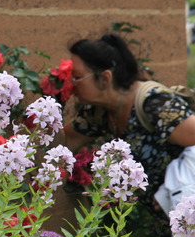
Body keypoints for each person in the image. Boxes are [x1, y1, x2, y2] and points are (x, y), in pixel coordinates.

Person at [63, 33, 195, 212]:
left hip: (185, 218)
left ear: (105, 79)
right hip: (160, 225)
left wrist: (169, 191)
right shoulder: (98, 112)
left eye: (77, 77)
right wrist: (51, 107)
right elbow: (64, 144)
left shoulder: (155, 104)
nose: (71, 83)